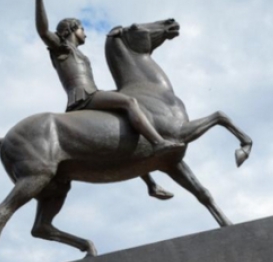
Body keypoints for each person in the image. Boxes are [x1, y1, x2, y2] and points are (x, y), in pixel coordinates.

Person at [35, 0, 184, 153]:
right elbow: (43, 31)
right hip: (84, 97)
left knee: (131, 100)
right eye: (82, 28)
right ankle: (158, 142)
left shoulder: (76, 51)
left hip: (92, 93)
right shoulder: (62, 49)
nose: (85, 33)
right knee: (129, 102)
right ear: (72, 29)